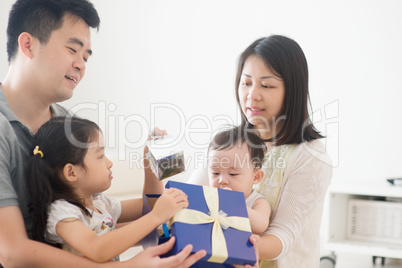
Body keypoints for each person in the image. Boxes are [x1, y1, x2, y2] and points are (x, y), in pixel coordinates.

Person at [0, 0, 206, 267]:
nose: (81, 65)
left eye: (85, 57)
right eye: (73, 50)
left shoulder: (69, 126)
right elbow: (12, 252)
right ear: (28, 44)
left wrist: (153, 173)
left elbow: (98, 225)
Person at [189, 35, 333, 268]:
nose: (252, 95)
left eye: (266, 85)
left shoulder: (310, 156)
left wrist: (233, 249)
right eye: (246, 83)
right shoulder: (232, 144)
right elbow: (191, 200)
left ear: (292, 90)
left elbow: (282, 236)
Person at [26, 116, 190, 262]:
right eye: (100, 156)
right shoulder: (62, 212)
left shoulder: (101, 204)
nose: (109, 163)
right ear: (71, 172)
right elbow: (97, 248)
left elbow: (149, 205)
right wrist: (156, 216)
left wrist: (150, 160)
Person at [207, 126, 271, 235]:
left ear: (256, 177)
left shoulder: (257, 202)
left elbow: (260, 225)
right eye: (215, 173)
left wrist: (236, 204)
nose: (222, 180)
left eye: (233, 174)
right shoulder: (209, 196)